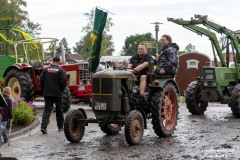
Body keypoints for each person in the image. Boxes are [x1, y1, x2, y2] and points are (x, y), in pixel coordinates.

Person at [40, 56, 67, 134]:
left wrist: (45, 89)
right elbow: (64, 82)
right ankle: (60, 127)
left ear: (52, 61)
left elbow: (41, 80)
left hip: (47, 93)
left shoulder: (46, 70)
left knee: (47, 110)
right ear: (59, 62)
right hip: (57, 93)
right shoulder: (61, 70)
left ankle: (43, 127)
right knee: (59, 109)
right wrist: (61, 90)